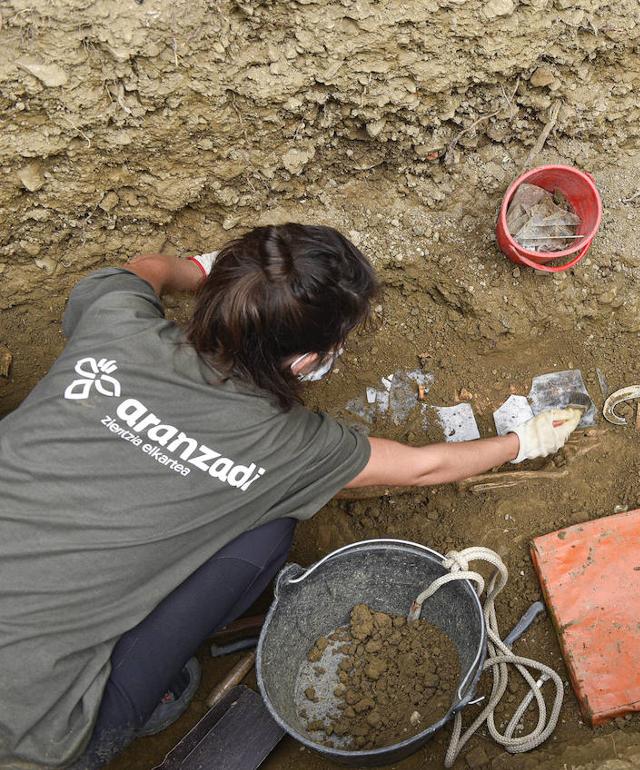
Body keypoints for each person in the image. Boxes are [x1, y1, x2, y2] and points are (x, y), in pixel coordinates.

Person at [0, 224, 582, 769]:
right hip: (35, 728)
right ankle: (148, 693)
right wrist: (523, 440)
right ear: (305, 358)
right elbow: (424, 467)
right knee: (269, 530)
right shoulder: (286, 446)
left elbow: (144, 268)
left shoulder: (116, 319)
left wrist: (198, 271)